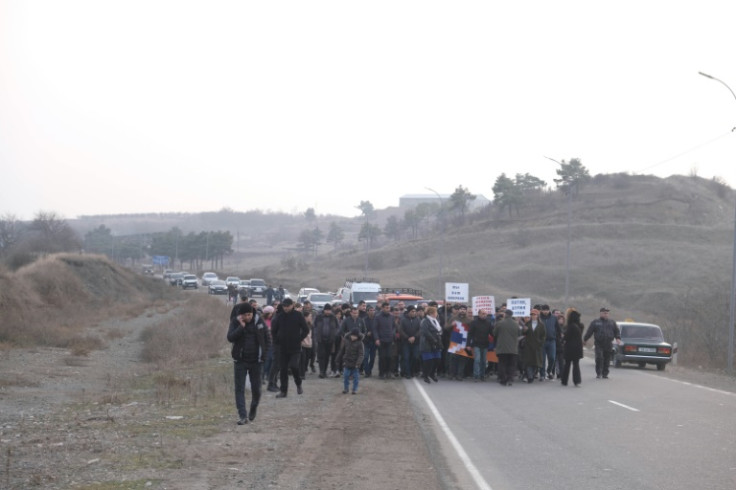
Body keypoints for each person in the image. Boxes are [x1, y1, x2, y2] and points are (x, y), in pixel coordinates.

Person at [226, 303, 268, 425]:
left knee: (256, 389)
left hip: (256, 361)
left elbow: (267, 338)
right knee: (239, 389)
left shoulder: (258, 321)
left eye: (249, 314)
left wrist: (264, 355)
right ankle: (242, 416)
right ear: (241, 315)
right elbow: (230, 338)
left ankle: (253, 407)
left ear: (252, 313)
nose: (247, 317)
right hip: (240, 360)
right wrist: (241, 326)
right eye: (245, 315)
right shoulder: (235, 322)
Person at [270, 298, 309, 398]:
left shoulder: (298, 315)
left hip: (295, 347)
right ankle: (283, 391)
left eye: (287, 306)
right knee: (283, 370)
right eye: (284, 306)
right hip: (282, 347)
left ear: (292, 305)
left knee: (294, 366)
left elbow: (306, 329)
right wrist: (276, 341)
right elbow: (274, 330)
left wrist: (299, 339)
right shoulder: (280, 316)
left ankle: (298, 383)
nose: (286, 308)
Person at [583, 307, 621, 379]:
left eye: (607, 313)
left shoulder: (612, 322)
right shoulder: (595, 322)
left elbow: (616, 331)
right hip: (599, 343)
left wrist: (618, 338)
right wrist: (585, 339)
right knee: (599, 358)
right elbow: (589, 332)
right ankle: (599, 373)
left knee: (607, 359)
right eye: (604, 313)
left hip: (608, 343)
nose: (606, 314)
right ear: (601, 313)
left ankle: (605, 374)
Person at [493, 308, 520, 386]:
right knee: (512, 364)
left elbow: (494, 333)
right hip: (513, 348)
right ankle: (510, 379)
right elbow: (519, 333)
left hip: (502, 348)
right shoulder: (516, 324)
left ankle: (503, 379)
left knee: (502, 364)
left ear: (505, 314)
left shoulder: (500, 323)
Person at [313, 303, 340, 378]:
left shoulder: (333, 318)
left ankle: (324, 371)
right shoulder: (319, 317)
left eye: (329, 310)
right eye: (326, 310)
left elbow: (338, 327)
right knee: (321, 356)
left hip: (330, 340)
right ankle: (322, 372)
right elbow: (314, 327)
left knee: (327, 356)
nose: (328, 312)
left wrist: (334, 335)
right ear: (324, 310)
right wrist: (316, 335)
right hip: (321, 340)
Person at [336, 328, 365, 394]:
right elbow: (342, 351)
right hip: (347, 362)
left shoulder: (360, 343)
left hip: (355, 364)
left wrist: (358, 363)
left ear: (357, 336)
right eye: (352, 335)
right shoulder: (346, 341)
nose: (353, 337)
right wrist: (338, 358)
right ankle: (346, 389)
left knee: (356, 378)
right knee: (345, 376)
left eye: (355, 336)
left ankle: (354, 389)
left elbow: (361, 355)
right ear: (350, 335)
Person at [521, 309, 546, 383]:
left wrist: (541, 343)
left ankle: (533, 373)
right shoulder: (527, 323)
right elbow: (523, 333)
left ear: (537, 316)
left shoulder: (541, 325)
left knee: (536, 362)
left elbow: (544, 335)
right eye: (531, 315)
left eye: (534, 314)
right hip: (528, 346)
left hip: (537, 346)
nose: (533, 316)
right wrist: (524, 330)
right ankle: (530, 376)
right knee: (528, 362)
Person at [372, 302, 396, 379]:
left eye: (388, 307)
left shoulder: (392, 317)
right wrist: (376, 339)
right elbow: (374, 329)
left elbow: (394, 327)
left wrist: (392, 334)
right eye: (386, 308)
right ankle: (381, 373)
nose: (387, 309)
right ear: (382, 308)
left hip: (389, 339)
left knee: (389, 357)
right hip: (381, 340)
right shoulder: (378, 317)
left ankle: (388, 372)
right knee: (382, 357)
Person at [419, 306, 443, 383]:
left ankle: (432, 373)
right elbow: (425, 332)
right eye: (436, 312)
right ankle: (426, 375)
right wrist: (433, 339)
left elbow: (438, 330)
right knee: (428, 361)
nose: (437, 314)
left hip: (436, 343)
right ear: (431, 313)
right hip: (427, 343)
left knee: (437, 360)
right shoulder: (425, 321)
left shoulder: (436, 320)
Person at [468, 308, 492, 381]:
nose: (484, 315)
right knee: (477, 360)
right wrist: (468, 344)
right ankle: (476, 375)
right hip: (476, 344)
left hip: (485, 344)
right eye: (483, 313)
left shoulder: (488, 323)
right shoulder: (474, 322)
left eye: (485, 314)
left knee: (483, 361)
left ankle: (482, 375)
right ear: (479, 314)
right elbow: (470, 334)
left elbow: (492, 333)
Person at [561, 308, 584, 387]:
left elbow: (566, 337)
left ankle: (564, 380)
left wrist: (563, 337)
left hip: (569, 348)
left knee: (567, 365)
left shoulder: (570, 326)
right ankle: (576, 381)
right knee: (576, 365)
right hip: (577, 348)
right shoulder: (580, 326)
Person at [399, 305, 422, 378]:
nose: (414, 313)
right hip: (406, 342)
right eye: (412, 311)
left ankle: (412, 371)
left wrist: (414, 337)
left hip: (415, 342)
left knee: (415, 357)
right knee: (406, 357)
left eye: (415, 311)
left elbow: (420, 330)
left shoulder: (418, 319)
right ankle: (407, 373)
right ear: (409, 312)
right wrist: (408, 338)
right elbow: (401, 330)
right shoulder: (403, 319)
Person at [540, 305, 559, 380]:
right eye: (544, 310)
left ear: (549, 310)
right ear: (542, 310)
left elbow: (558, 328)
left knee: (552, 358)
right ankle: (542, 374)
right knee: (542, 359)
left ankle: (549, 370)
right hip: (542, 341)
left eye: (546, 310)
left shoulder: (553, 318)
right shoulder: (539, 318)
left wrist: (559, 335)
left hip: (552, 341)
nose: (545, 311)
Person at [362, 305, 377, 377]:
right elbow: (361, 330)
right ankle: (367, 371)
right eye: (370, 310)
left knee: (372, 357)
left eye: (373, 310)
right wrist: (366, 333)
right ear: (367, 312)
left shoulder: (376, 319)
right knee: (365, 357)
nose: (372, 312)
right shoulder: (364, 320)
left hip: (374, 341)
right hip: (366, 341)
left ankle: (369, 370)